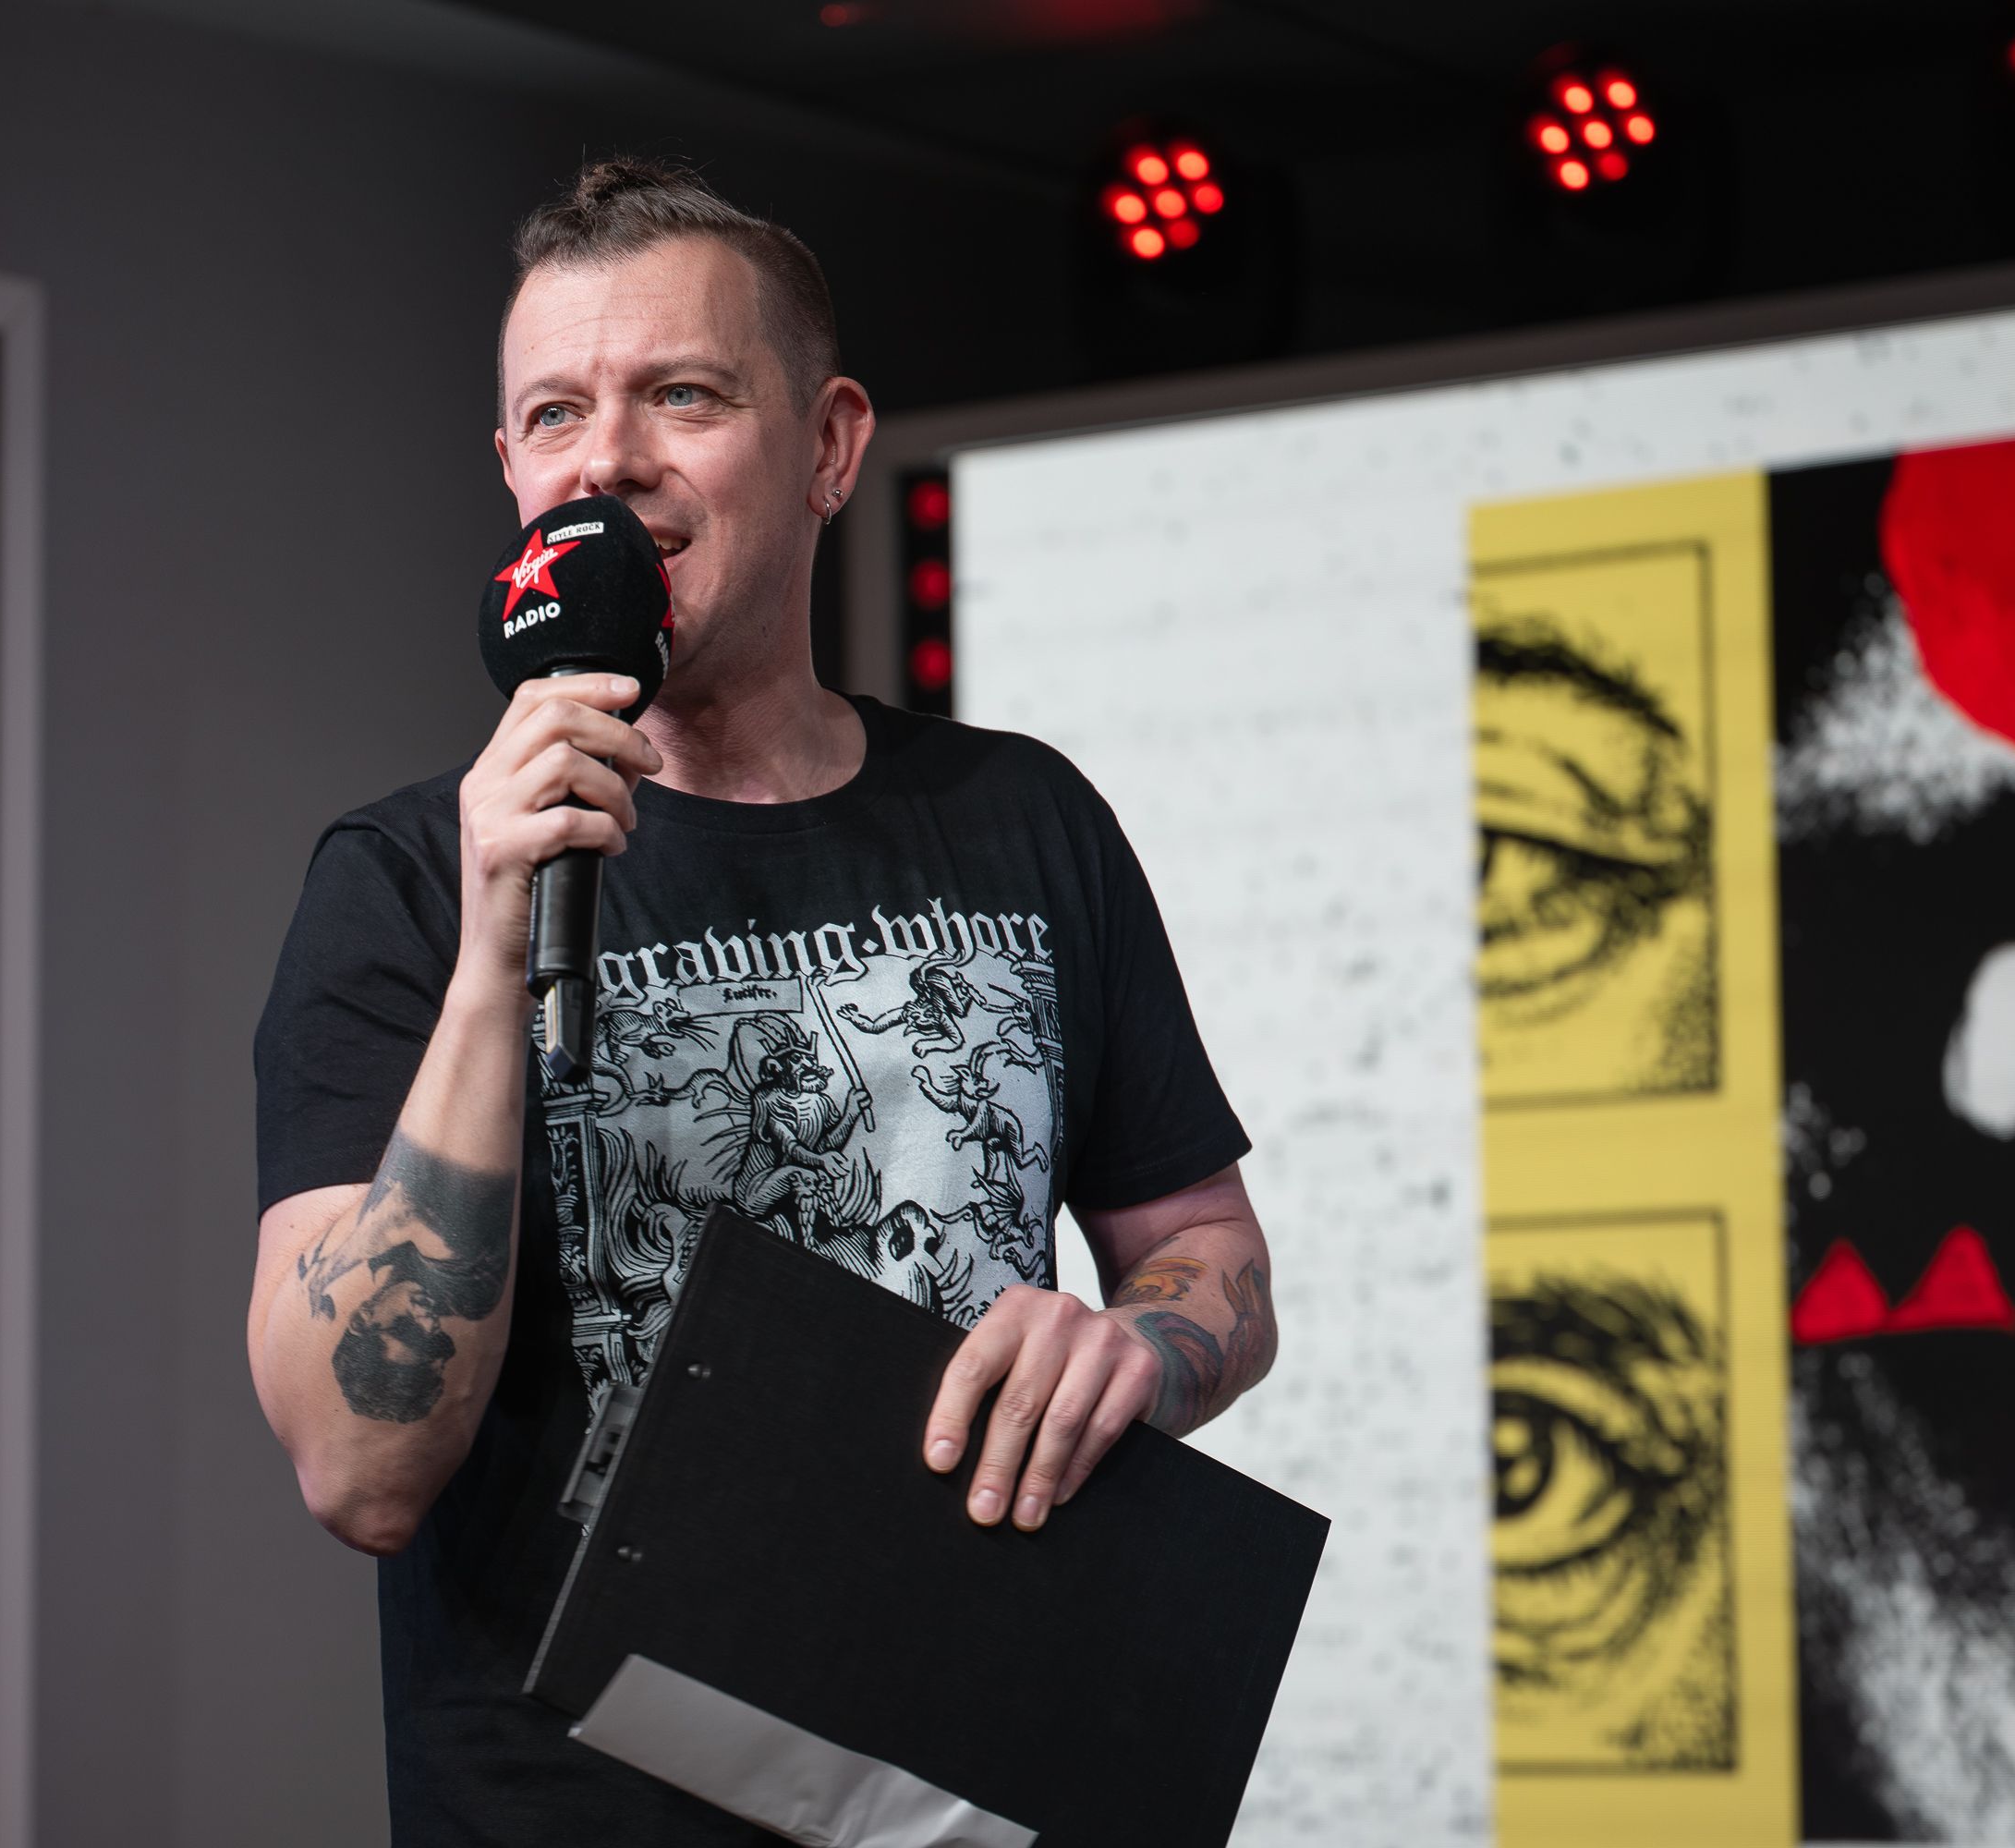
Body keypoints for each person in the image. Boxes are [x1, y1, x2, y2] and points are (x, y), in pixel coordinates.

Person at [248, 155, 1277, 1844]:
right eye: (557, 416)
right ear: (512, 474)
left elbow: (1211, 1257)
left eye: (684, 396)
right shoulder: (407, 882)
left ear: (829, 446)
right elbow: (358, 1469)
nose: (609, 462)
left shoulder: (1021, 818)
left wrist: (1135, 1354)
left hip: (975, 1786)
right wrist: (498, 951)